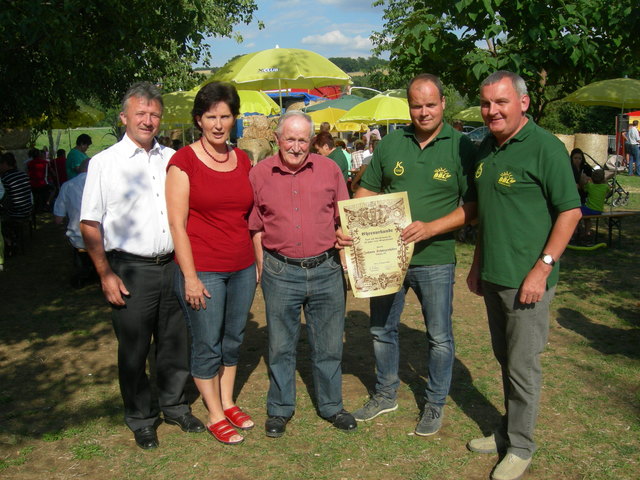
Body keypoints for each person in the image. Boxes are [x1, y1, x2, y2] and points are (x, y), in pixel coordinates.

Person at [338, 73, 477, 437]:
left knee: (439, 336)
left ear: (443, 103)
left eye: (431, 104)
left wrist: (431, 227)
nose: (424, 112)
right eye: (417, 105)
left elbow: (474, 208)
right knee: (381, 328)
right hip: (387, 257)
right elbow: (366, 192)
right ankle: (386, 394)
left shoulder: (461, 146)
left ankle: (434, 403)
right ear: (409, 106)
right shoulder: (392, 143)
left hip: (435, 259)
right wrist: (350, 225)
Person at [466, 71, 581, 480]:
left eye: (501, 102)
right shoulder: (485, 150)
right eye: (486, 103)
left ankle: (521, 446)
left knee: (522, 366)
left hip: (527, 281)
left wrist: (542, 268)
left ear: (523, 102)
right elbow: (487, 216)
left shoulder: (545, 148)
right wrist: (479, 264)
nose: (492, 111)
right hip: (495, 275)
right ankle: (506, 432)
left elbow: (570, 211)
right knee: (505, 359)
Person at [80, 82, 204, 450]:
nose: (148, 121)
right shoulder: (104, 164)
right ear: (124, 117)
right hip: (129, 269)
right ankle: (140, 417)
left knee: (175, 343)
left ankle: (175, 405)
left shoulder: (174, 158)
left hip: (172, 266)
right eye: (140, 114)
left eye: (154, 114)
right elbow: (89, 223)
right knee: (133, 350)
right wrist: (104, 274)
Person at [249, 111, 356, 438]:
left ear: (312, 141)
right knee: (281, 345)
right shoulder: (259, 174)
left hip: (326, 269)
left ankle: (331, 406)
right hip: (280, 270)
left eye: (302, 140)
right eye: (289, 139)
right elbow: (255, 225)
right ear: (278, 139)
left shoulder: (330, 170)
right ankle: (280, 409)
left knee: (328, 343)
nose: (295, 147)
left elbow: (344, 217)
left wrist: (343, 238)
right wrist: (261, 265)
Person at [166, 82, 257, 445]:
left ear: (234, 118)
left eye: (225, 116)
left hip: (242, 267)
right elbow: (176, 224)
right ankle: (215, 412)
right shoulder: (183, 162)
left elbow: (251, 217)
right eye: (210, 117)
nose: (218, 124)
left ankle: (228, 400)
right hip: (203, 269)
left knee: (233, 339)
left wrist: (259, 262)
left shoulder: (243, 159)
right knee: (208, 343)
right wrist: (189, 276)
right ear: (199, 120)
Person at [53, 159, 96, 287]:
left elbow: (58, 219)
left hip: (79, 238)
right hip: (103, 238)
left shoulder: (67, 185)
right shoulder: (104, 184)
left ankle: (85, 271)